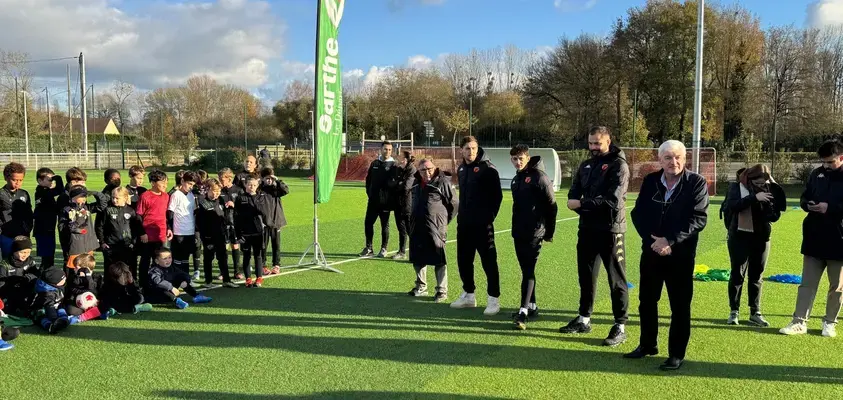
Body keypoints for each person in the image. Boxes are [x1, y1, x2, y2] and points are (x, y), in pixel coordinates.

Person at [625, 140, 709, 371]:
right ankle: (647, 344)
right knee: (647, 302)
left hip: (680, 254)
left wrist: (669, 240)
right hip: (652, 252)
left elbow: (698, 218)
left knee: (680, 306)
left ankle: (676, 354)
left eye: (678, 157)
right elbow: (638, 213)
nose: (674, 162)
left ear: (685, 159)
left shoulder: (696, 182)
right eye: (668, 158)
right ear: (659, 160)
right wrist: (653, 241)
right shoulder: (651, 181)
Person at [560, 126, 631, 346]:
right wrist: (582, 206)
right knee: (586, 276)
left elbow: (612, 201)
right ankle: (584, 319)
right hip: (587, 228)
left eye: (597, 143)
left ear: (608, 141)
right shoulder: (586, 164)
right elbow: (574, 192)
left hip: (611, 230)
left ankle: (620, 325)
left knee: (616, 279)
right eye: (590, 143)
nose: (593, 147)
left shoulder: (619, 165)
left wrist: (582, 204)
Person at [780, 140, 843, 338]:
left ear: (841, 157)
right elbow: (804, 196)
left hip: (839, 239)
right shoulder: (816, 174)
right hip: (814, 236)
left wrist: (830, 208)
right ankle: (799, 322)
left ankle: (829, 323)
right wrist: (808, 204)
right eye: (823, 162)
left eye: (830, 162)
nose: (826, 166)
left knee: (837, 286)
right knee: (807, 283)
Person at [722, 164, 785, 327]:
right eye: (757, 181)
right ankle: (733, 311)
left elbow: (776, 215)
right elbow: (733, 206)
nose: (761, 184)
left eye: (763, 181)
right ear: (749, 178)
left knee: (757, 276)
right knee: (737, 274)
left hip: (762, 237)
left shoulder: (771, 188)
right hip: (739, 236)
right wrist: (754, 198)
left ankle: (755, 312)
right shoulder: (736, 187)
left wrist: (770, 206)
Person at [450, 136, 503, 315]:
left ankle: (493, 299)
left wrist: (488, 218)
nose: (471, 151)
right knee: (464, 260)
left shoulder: (488, 169)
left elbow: (497, 197)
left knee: (489, 262)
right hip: (464, 224)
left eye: (473, 148)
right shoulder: (462, 168)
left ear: (478, 148)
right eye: (467, 148)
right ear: (461, 150)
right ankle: (469, 295)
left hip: (483, 225)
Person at [509, 145, 557, 330]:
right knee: (525, 270)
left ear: (527, 158)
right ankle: (532, 306)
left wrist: (549, 232)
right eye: (514, 158)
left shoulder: (539, 177)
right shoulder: (516, 179)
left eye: (521, 158)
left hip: (535, 232)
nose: (518, 162)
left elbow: (552, 206)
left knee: (528, 270)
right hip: (519, 232)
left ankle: (523, 311)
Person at [407, 159, 457, 303]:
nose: (427, 172)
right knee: (418, 257)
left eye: (429, 168)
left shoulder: (442, 182)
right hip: (417, 226)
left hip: (436, 228)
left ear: (435, 168)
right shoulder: (416, 183)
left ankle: (442, 290)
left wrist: (443, 221)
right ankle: (421, 286)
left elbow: (454, 204)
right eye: (423, 170)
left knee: (438, 259)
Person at [196, 178, 238, 288]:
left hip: (221, 234)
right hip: (209, 236)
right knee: (208, 258)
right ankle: (208, 281)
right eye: (214, 191)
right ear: (208, 189)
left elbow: (224, 216)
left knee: (223, 257)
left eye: (219, 191)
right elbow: (200, 222)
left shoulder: (221, 200)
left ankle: (226, 280)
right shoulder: (202, 203)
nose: (217, 193)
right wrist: (205, 236)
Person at [57, 185, 108, 273]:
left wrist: (96, 193)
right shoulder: (66, 210)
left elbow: (102, 205)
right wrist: (75, 224)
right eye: (81, 196)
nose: (84, 198)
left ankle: (88, 284)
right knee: (74, 268)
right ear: (73, 198)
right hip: (76, 245)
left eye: (85, 196)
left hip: (89, 244)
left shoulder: (87, 208)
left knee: (88, 268)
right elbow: (62, 227)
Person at [137, 170, 173, 288]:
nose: (165, 185)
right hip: (148, 235)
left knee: (160, 260)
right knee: (145, 260)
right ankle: (143, 284)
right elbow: (138, 216)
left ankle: (159, 282)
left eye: (166, 183)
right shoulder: (145, 196)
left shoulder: (166, 196)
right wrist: (142, 233)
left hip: (161, 234)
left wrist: (168, 228)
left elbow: (166, 215)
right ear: (153, 183)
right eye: (162, 183)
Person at [99, 187, 144, 278]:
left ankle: (131, 289)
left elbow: (137, 227)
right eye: (113, 197)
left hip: (127, 246)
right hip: (111, 245)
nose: (114, 200)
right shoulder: (107, 210)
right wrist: (102, 242)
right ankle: (109, 290)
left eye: (117, 198)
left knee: (129, 269)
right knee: (111, 270)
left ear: (125, 198)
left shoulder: (131, 211)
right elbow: (100, 227)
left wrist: (133, 243)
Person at [144, 248, 211, 309]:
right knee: (162, 288)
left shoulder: (172, 268)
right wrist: (171, 288)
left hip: (168, 291)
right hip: (154, 295)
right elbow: (158, 282)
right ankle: (177, 301)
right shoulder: (154, 270)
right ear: (157, 261)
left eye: (169, 257)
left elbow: (183, 274)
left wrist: (186, 280)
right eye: (165, 258)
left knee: (181, 279)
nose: (168, 260)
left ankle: (196, 296)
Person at [361, 141, 396, 258]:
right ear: (381, 149)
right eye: (386, 149)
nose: (387, 151)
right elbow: (368, 180)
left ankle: (384, 248)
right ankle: (369, 248)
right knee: (368, 223)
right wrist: (369, 193)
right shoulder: (375, 163)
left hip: (385, 203)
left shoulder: (393, 165)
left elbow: (395, 184)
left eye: (390, 150)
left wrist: (390, 199)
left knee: (384, 225)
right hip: (373, 201)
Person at [235, 174, 267, 288]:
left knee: (258, 255)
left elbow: (263, 212)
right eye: (249, 185)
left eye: (254, 185)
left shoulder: (261, 197)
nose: (251, 187)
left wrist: (254, 200)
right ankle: (248, 278)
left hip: (258, 232)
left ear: (257, 185)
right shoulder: (240, 198)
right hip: (245, 233)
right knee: (246, 255)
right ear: (245, 185)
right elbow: (236, 217)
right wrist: (238, 233)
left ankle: (259, 277)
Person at [259, 167, 289, 275]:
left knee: (276, 245)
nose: (269, 181)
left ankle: (276, 264)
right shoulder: (260, 189)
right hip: (264, 223)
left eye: (271, 178)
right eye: (267, 178)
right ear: (262, 178)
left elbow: (286, 190)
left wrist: (277, 180)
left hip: (276, 222)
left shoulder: (276, 189)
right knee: (263, 245)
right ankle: (263, 265)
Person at [0, 162, 33, 259]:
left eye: (20, 180)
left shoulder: (24, 194)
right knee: (7, 262)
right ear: (6, 178)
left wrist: (28, 229)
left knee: (23, 263)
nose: (18, 183)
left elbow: (29, 214)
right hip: (6, 236)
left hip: (23, 236)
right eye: (14, 180)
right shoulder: (1, 194)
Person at [168, 171, 198, 276]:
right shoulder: (176, 195)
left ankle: (185, 279)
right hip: (179, 231)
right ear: (182, 181)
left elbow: (193, 212)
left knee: (186, 258)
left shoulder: (191, 196)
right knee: (177, 258)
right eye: (189, 183)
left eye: (193, 185)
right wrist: (170, 228)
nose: (191, 187)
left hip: (190, 231)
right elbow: (170, 213)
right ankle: (176, 279)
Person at [33, 168, 63, 269]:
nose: (52, 182)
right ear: (40, 181)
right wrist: (58, 178)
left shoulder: (44, 192)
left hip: (47, 229)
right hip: (43, 230)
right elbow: (60, 190)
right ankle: (43, 279)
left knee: (49, 258)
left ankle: (46, 278)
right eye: (49, 179)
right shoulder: (42, 192)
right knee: (47, 259)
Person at [57, 168, 88, 264]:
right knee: (70, 261)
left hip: (80, 235)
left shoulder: (80, 193)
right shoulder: (64, 197)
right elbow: (65, 221)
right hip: (69, 235)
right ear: (73, 182)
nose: (84, 185)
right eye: (82, 183)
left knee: (81, 261)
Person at [64, 254, 104, 324]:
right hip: (78, 304)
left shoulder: (97, 276)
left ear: (85, 268)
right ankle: (91, 314)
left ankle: (84, 316)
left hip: (93, 303)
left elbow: (94, 291)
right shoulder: (73, 277)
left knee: (103, 307)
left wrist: (88, 277)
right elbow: (73, 290)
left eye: (76, 267)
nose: (74, 269)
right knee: (70, 310)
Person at [219, 168, 244, 280]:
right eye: (219, 179)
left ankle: (237, 271)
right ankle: (223, 272)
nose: (220, 181)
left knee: (235, 245)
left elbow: (245, 205)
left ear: (229, 178)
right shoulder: (219, 191)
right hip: (222, 223)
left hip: (235, 223)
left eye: (222, 179)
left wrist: (235, 204)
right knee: (224, 247)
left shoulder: (238, 190)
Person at [392, 150, 416, 260]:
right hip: (397, 202)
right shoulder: (397, 169)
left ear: (405, 159)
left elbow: (406, 186)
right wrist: (398, 183)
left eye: (399, 156)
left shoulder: (412, 169)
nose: (397, 158)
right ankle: (402, 252)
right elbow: (390, 183)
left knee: (410, 229)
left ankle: (415, 252)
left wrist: (397, 184)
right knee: (401, 229)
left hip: (407, 204)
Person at [31, 267, 70, 334]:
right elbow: (49, 306)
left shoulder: (57, 287)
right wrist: (54, 318)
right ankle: (49, 326)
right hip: (43, 309)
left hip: (56, 305)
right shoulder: (47, 294)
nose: (65, 279)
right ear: (55, 282)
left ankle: (63, 319)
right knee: (41, 317)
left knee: (61, 308)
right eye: (63, 279)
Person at [95, 169, 121, 247]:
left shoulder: (121, 192)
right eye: (113, 179)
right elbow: (99, 222)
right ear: (106, 181)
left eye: (118, 178)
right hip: (109, 233)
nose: (116, 181)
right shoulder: (104, 197)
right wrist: (101, 240)